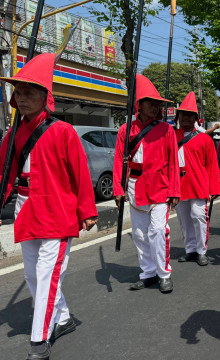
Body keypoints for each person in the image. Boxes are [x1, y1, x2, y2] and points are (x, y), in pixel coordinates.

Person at [0, 53, 98, 360]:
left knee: (46, 276)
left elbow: (80, 174)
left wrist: (87, 211)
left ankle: (39, 341)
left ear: (45, 96)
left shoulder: (63, 131)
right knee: (31, 276)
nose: (22, 97)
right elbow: (4, 172)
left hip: (57, 212)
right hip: (26, 210)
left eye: (29, 91)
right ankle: (64, 317)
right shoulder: (13, 133)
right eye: (18, 91)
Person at [113, 74, 180, 294]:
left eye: (157, 103)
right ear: (139, 105)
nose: (155, 106)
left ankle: (164, 273)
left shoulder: (167, 130)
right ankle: (148, 272)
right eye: (150, 102)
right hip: (135, 185)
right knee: (140, 234)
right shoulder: (125, 130)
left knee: (158, 231)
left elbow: (173, 163)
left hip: (160, 184)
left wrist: (174, 190)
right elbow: (118, 161)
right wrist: (118, 188)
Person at [174, 91, 220, 266]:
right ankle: (190, 250)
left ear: (196, 119)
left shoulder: (205, 139)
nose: (186, 118)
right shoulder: (170, 137)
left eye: (190, 115)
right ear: (178, 117)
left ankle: (202, 250)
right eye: (183, 115)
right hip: (178, 185)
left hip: (198, 184)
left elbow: (212, 166)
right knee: (184, 219)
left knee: (198, 216)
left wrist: (215, 188)